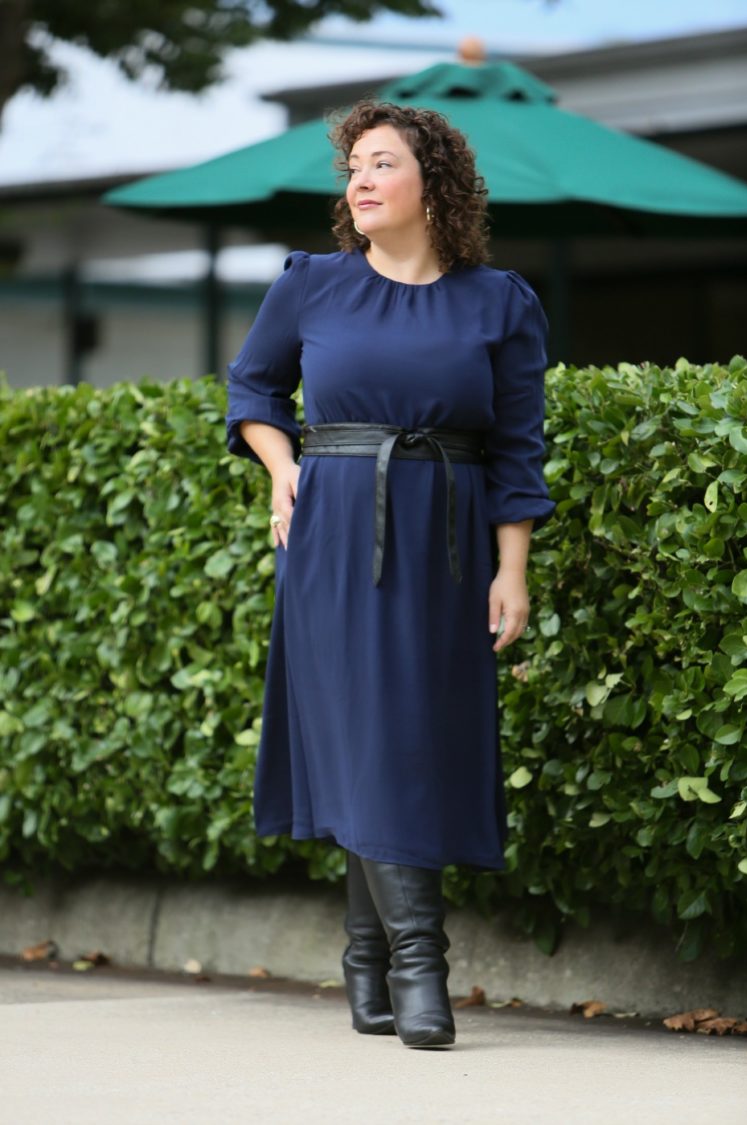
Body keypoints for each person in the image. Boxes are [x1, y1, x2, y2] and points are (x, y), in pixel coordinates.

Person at [225, 100, 555, 1049]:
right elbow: (253, 387)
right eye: (352, 169)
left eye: (380, 164)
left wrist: (512, 570)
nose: (360, 181)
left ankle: (364, 957)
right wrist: (286, 473)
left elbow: (519, 448)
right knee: (368, 731)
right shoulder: (311, 285)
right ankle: (420, 966)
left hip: (445, 540)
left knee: (405, 738)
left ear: (433, 184)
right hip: (334, 531)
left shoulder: (501, 302)